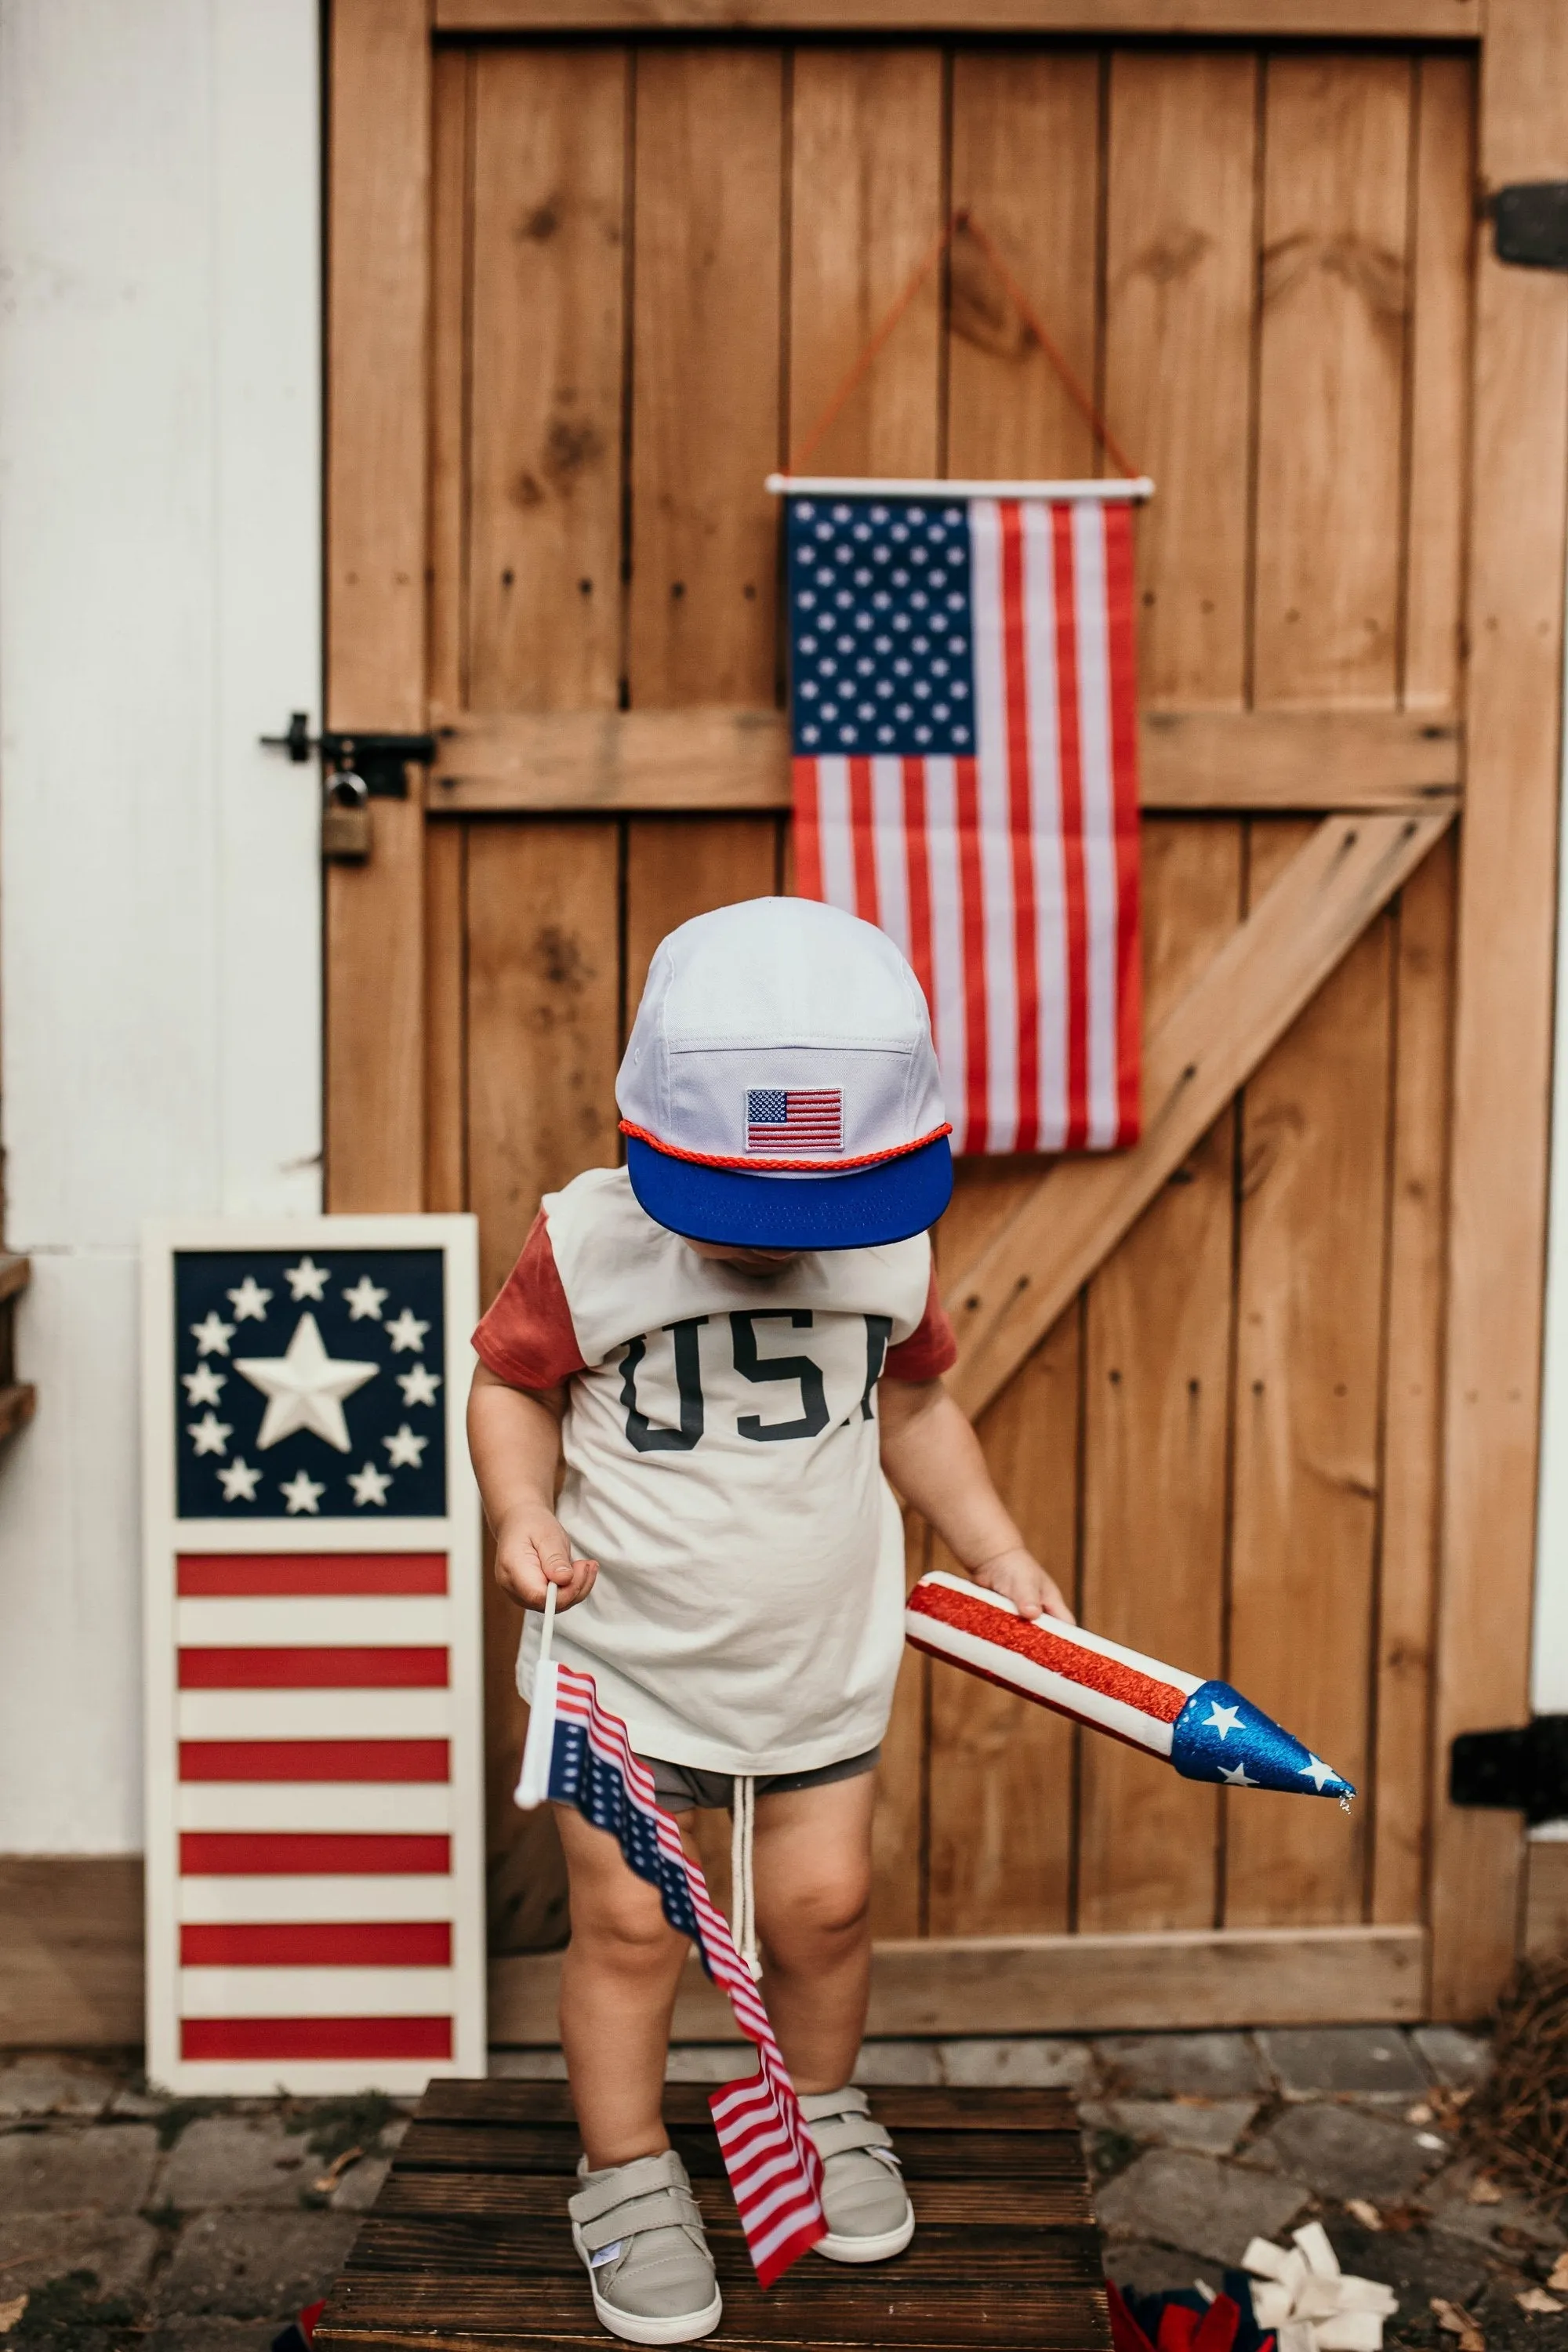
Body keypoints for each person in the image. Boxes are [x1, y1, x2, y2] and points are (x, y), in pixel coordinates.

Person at [467, 897, 1073, 2347]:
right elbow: (510, 1384)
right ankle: (622, 2173)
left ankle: (815, 2113)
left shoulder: (892, 1251)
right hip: (623, 1665)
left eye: (811, 1213)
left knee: (824, 1909)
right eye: (742, 1212)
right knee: (627, 1927)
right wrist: (517, 1508)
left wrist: (990, 1543)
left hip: (815, 1667)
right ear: (651, 1134)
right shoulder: (588, 1240)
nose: (774, 1244)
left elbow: (915, 1405)